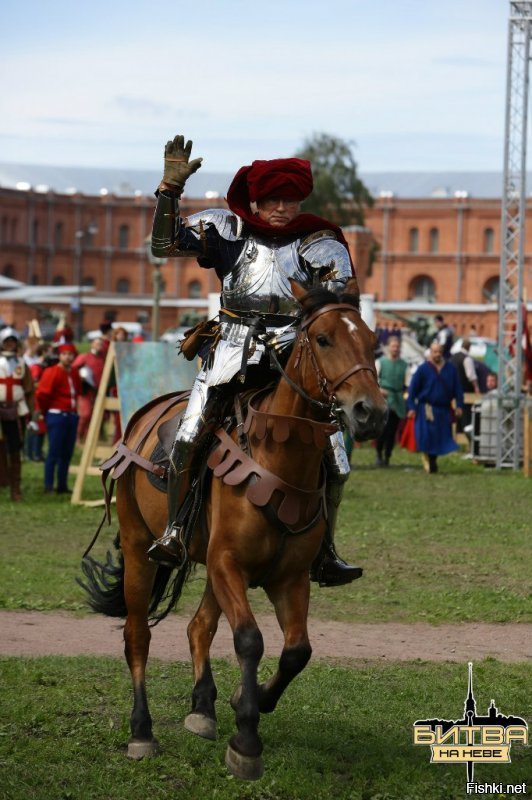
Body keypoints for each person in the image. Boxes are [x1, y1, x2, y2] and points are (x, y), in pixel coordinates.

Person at [148, 134, 362, 587]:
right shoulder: (226, 230)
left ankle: (325, 550)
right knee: (188, 437)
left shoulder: (318, 240)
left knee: (338, 460)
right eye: (273, 199)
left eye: (290, 199)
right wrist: (169, 191)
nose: (283, 207)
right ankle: (176, 532)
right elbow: (164, 247)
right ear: (256, 199)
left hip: (295, 353)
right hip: (231, 348)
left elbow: (343, 294)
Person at [407, 341, 463, 474]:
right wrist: (411, 407)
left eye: (439, 351)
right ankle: (430, 462)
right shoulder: (423, 369)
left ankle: (433, 460)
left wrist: (459, 405)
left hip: (443, 410)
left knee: (439, 438)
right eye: (434, 352)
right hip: (426, 409)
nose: (437, 354)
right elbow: (412, 390)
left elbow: (458, 389)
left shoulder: (450, 369)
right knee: (427, 436)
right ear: (430, 352)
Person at [36, 343, 82, 494]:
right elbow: (42, 394)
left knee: (67, 453)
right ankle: (48, 486)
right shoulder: (52, 371)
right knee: (54, 452)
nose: (67, 357)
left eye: (70, 354)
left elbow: (78, 391)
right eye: (64, 354)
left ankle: (62, 485)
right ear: (60, 356)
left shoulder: (74, 372)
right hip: (57, 415)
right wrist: (43, 412)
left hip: (71, 415)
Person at [0, 327, 34, 500]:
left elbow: (29, 390)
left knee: (15, 450)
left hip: (16, 412)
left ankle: (15, 489)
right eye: (7, 341)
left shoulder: (21, 364)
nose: (10, 344)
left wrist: (33, 414)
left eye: (12, 341)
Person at [375, 336, 409, 466]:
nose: (395, 349)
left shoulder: (404, 365)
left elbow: (407, 384)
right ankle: (379, 454)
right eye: (393, 346)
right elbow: (374, 380)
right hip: (383, 399)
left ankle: (387, 456)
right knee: (382, 430)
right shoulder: (380, 362)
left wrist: (405, 395)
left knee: (392, 431)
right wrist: (380, 390)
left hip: (397, 399)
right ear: (389, 347)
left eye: (397, 347)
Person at [73, 337, 105, 442]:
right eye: (97, 343)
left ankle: (88, 439)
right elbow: (73, 369)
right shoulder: (84, 357)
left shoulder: (103, 359)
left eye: (101, 344)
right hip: (86, 390)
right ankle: (77, 437)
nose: (99, 346)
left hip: (99, 391)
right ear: (92, 344)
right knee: (85, 414)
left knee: (96, 415)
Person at [451, 337, 480, 440]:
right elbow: (471, 376)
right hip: (465, 391)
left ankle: (455, 440)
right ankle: (468, 441)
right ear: (469, 347)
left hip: (452, 391)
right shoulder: (467, 358)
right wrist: (476, 388)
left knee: (455, 418)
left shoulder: (453, 357)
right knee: (466, 418)